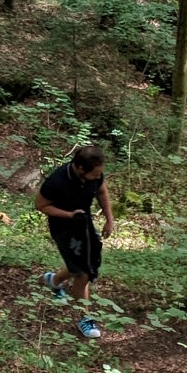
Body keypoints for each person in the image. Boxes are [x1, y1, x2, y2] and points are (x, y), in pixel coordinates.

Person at [36, 143, 115, 340]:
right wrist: (69, 214)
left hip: (84, 223)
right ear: (80, 168)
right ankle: (84, 319)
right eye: (94, 174)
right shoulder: (56, 181)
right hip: (63, 228)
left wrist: (109, 219)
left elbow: (102, 191)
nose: (98, 177)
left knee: (78, 268)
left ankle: (53, 280)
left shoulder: (95, 175)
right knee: (82, 274)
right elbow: (41, 205)